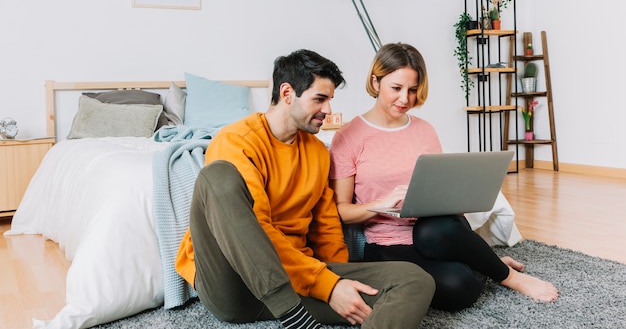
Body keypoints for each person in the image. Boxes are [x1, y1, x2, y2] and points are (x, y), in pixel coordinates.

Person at [175, 49, 435, 329]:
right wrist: (327, 286)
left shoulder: (317, 152)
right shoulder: (236, 141)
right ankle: (295, 319)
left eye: (330, 100)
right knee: (217, 175)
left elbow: (326, 227)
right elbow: (257, 228)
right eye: (319, 99)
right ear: (287, 94)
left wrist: (340, 283)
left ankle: (300, 306)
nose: (328, 111)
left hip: (298, 277)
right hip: (236, 283)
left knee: (416, 279)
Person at [328, 43, 558, 311]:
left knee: (433, 230)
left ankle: (510, 277)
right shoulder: (348, 137)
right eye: (396, 88)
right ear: (375, 82)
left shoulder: (425, 131)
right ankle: (487, 264)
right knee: (460, 287)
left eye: (412, 90)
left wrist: (458, 197)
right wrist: (379, 204)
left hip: (434, 231)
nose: (405, 99)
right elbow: (341, 211)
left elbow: (440, 190)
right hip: (386, 243)